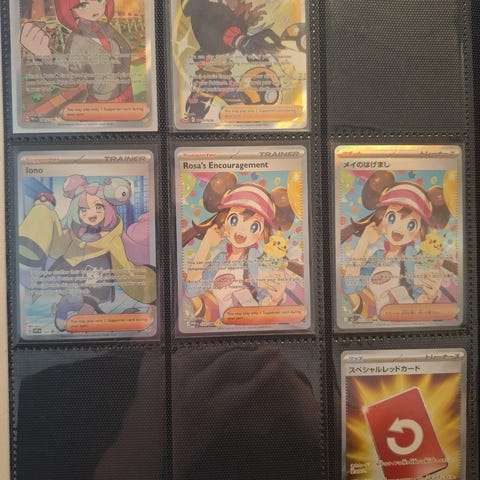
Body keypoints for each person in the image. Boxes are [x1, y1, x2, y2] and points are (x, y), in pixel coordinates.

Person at [18, 174, 156, 331]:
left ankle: (79, 319)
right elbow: (56, 248)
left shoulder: (112, 236)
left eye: (98, 207)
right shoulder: (72, 232)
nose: (92, 213)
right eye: (83, 209)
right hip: (73, 270)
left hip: (99, 272)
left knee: (91, 299)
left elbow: (123, 261)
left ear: (107, 208)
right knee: (72, 296)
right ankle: (63, 311)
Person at [182, 172, 297, 324]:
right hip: (224, 329)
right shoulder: (221, 259)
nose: (241, 232)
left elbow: (264, 296)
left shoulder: (254, 258)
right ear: (224, 223)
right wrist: (205, 245)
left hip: (251, 327)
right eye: (234, 220)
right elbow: (192, 289)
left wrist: (274, 298)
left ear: (261, 235)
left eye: (254, 226)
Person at [341, 170, 454, 318]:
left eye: (411, 224)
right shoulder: (378, 256)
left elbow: (417, 290)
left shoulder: (411, 255)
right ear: (382, 220)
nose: (399, 229)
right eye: (392, 218)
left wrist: (429, 297)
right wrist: (363, 243)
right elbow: (350, 286)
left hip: (407, 320)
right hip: (380, 323)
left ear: (418, 231)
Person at [20, 0, 133, 103]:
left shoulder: (107, 28)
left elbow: (126, 49)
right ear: (71, 11)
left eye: (99, 0)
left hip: (127, 90)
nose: (94, 8)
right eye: (83, 5)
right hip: (102, 100)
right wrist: (46, 57)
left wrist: (123, 74)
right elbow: (71, 77)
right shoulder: (76, 40)